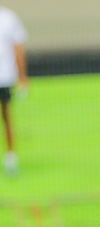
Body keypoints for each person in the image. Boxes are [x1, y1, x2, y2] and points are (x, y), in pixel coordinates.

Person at [0, 5, 25, 176]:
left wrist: (22, 76)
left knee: (6, 116)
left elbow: (18, 48)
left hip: (4, 77)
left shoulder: (9, 17)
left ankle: (11, 158)